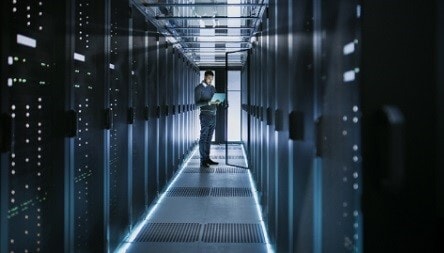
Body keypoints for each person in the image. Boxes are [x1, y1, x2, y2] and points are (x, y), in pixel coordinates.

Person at [194, 70, 221, 168]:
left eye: (212, 78)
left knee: (209, 138)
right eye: (209, 78)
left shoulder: (212, 88)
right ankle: (202, 160)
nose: (210, 80)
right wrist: (208, 102)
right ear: (205, 77)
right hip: (205, 115)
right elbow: (197, 104)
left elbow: (216, 98)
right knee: (203, 138)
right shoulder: (198, 88)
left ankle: (207, 158)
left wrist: (218, 101)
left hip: (213, 115)